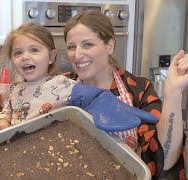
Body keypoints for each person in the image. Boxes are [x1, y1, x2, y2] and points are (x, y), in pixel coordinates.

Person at [64, 11, 186, 179]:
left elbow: (162, 159)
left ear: (110, 46)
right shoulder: (62, 86)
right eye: (71, 47)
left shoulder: (138, 89)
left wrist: (173, 92)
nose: (77, 55)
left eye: (87, 44)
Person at [0, 23, 76, 132]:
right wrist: (3, 120)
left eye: (34, 50)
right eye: (18, 53)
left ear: (51, 56)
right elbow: (9, 107)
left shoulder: (63, 85)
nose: (25, 57)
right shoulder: (15, 89)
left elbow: (91, 97)